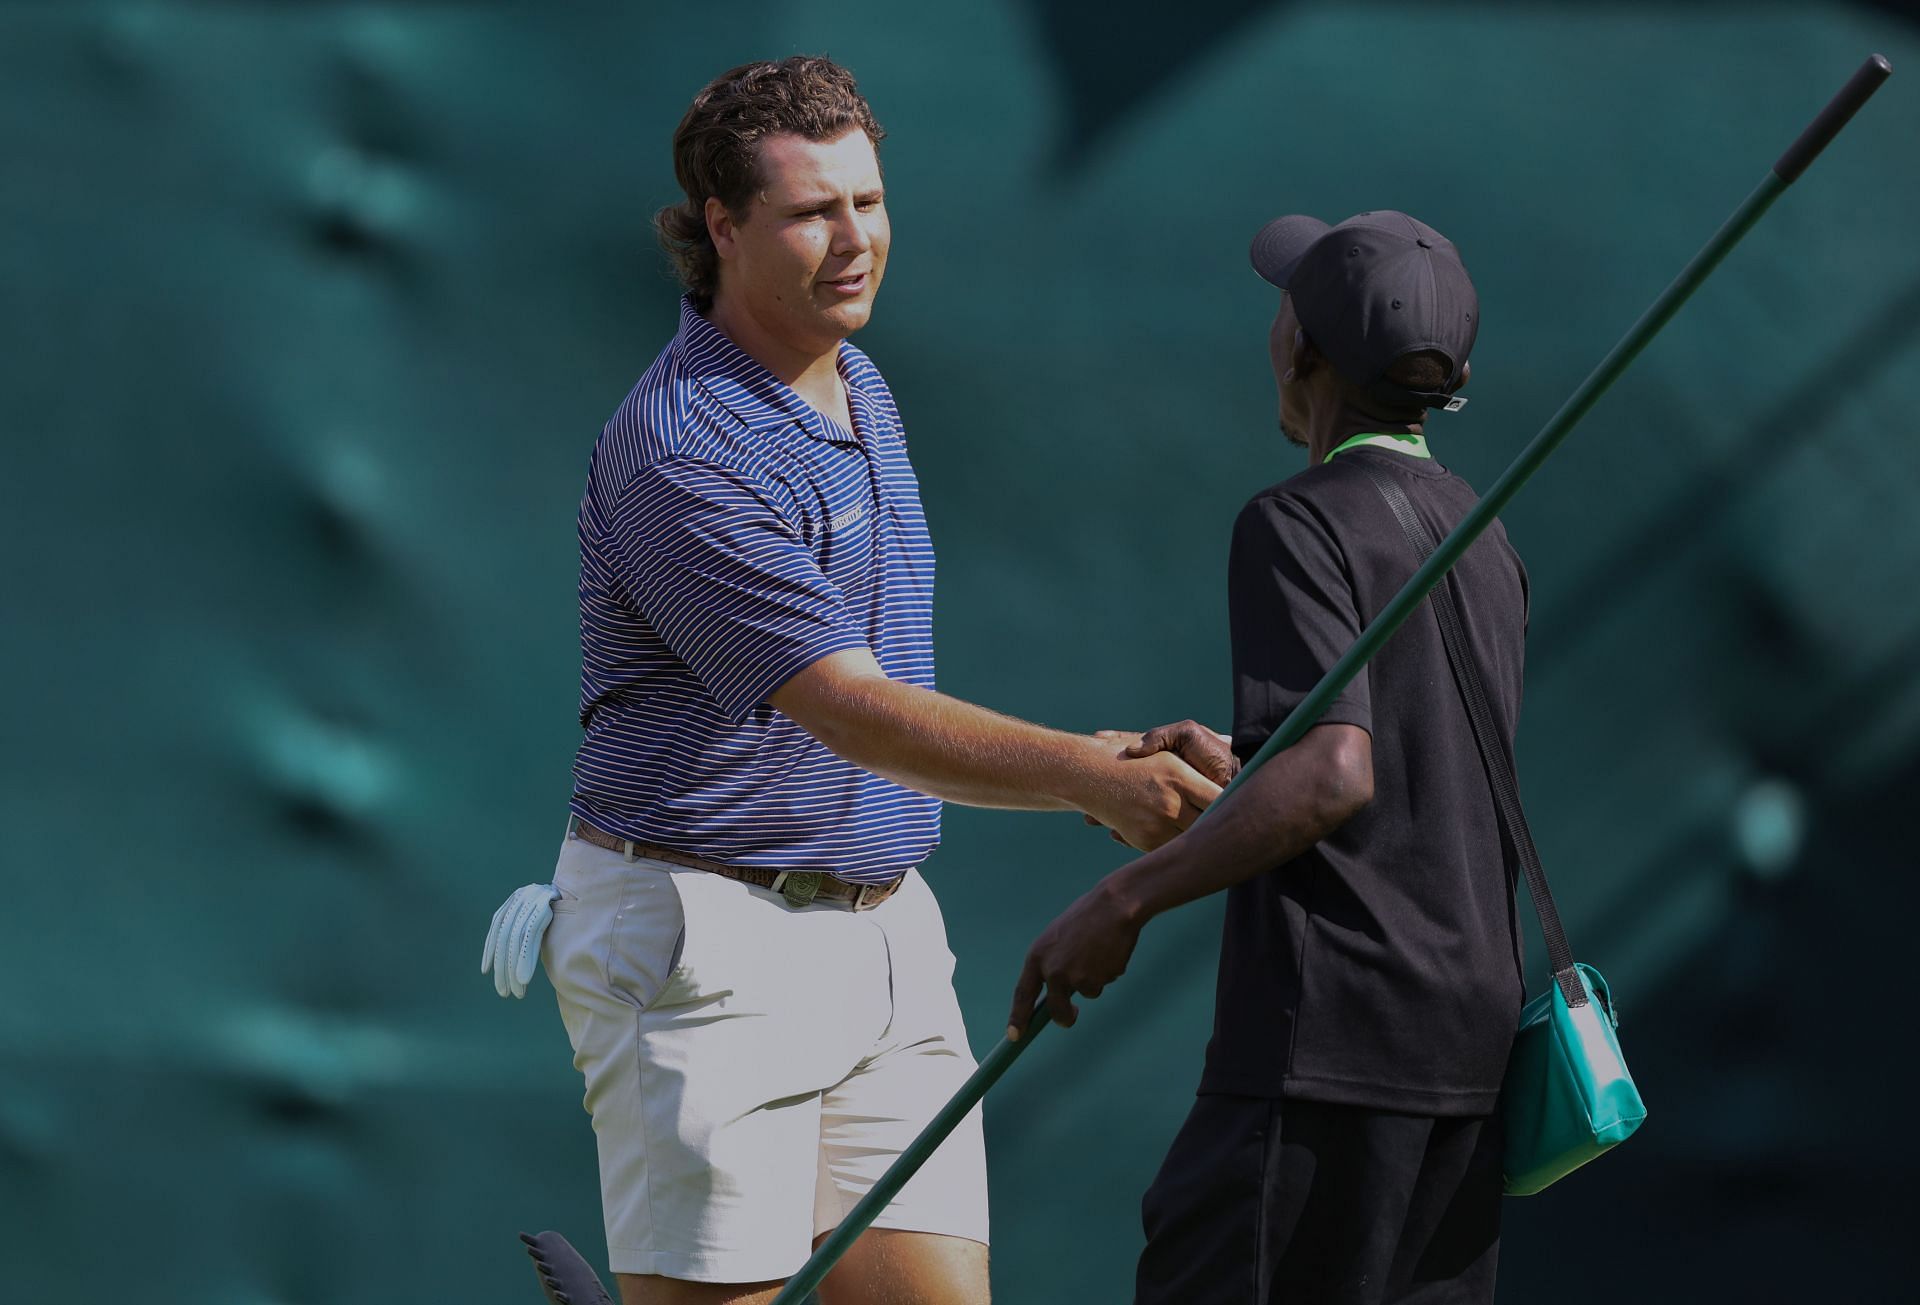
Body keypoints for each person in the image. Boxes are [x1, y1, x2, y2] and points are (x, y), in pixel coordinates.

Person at [480, 56, 1222, 1305]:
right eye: (812, 212)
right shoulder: (681, 447)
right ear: (721, 229)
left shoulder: (858, 382)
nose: (854, 241)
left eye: (868, 203)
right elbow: (844, 707)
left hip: (884, 938)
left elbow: (869, 679)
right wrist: (1090, 782)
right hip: (702, 946)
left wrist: (1087, 749)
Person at [1008, 210, 1529, 1303]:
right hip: (1466, 1051)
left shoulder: (1295, 521)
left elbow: (1340, 776)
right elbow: (1400, 789)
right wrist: (1258, 773)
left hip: (1328, 1044)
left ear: (1301, 352)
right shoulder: (1485, 533)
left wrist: (1124, 900)